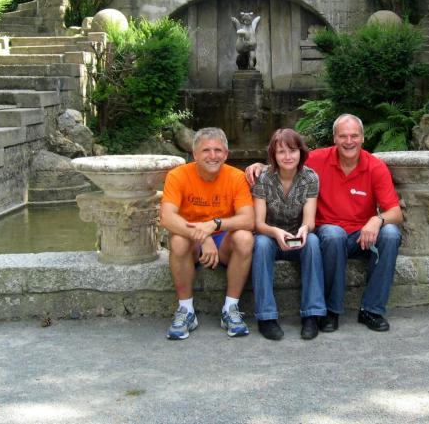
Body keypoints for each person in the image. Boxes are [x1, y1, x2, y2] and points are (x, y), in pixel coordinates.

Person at [247, 114, 402, 332]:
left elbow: (396, 212)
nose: (349, 141)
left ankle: (372, 310)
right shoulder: (318, 159)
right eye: (343, 136)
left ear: (362, 138)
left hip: (362, 235)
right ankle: (330, 311)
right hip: (329, 234)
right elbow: (287, 161)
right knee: (332, 234)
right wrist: (259, 166)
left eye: (354, 136)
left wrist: (377, 219)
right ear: (334, 138)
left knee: (391, 234)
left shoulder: (375, 167)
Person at [160, 127, 255, 339]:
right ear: (195, 154)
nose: (213, 156)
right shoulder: (177, 175)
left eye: (218, 150)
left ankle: (230, 309)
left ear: (226, 154)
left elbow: (248, 220)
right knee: (178, 242)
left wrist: (214, 225)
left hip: (223, 241)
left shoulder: (237, 177)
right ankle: (186, 310)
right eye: (206, 150)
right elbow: (167, 217)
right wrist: (203, 236)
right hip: (191, 239)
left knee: (244, 238)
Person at [251, 128, 325, 341]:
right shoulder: (263, 178)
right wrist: (275, 233)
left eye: (292, 150)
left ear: (301, 152)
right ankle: (266, 317)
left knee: (313, 242)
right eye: (281, 151)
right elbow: (259, 224)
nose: (287, 156)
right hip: (270, 236)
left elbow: (309, 221)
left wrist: (304, 230)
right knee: (261, 244)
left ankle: (311, 315)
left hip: (297, 236)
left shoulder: (310, 177)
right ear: (273, 155)